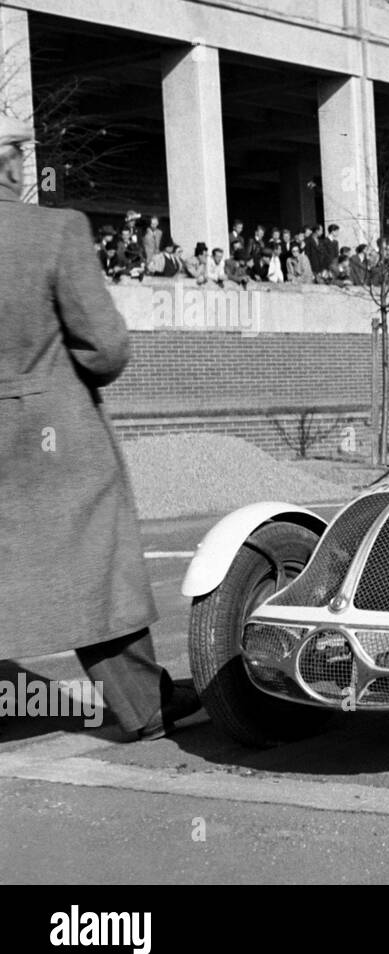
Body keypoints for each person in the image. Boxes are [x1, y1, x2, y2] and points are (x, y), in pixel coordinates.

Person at [0, 115, 200, 741]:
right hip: (51, 432)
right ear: (5, 162)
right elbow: (105, 347)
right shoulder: (54, 230)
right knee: (96, 566)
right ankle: (141, 707)